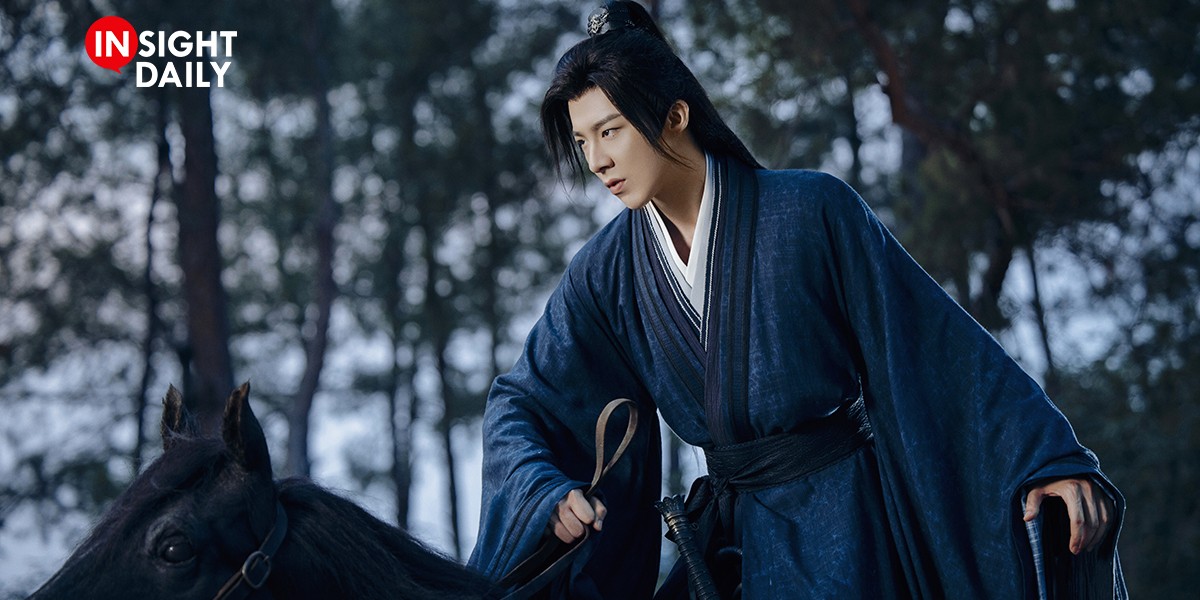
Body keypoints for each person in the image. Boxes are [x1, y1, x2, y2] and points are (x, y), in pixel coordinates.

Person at [468, 2, 1125, 598]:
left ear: (675, 115)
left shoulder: (811, 211)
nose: (596, 161)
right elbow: (526, 399)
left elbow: (933, 348)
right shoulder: (607, 270)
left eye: (610, 131)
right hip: (724, 547)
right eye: (582, 141)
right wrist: (541, 491)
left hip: (845, 528)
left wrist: (1043, 459)